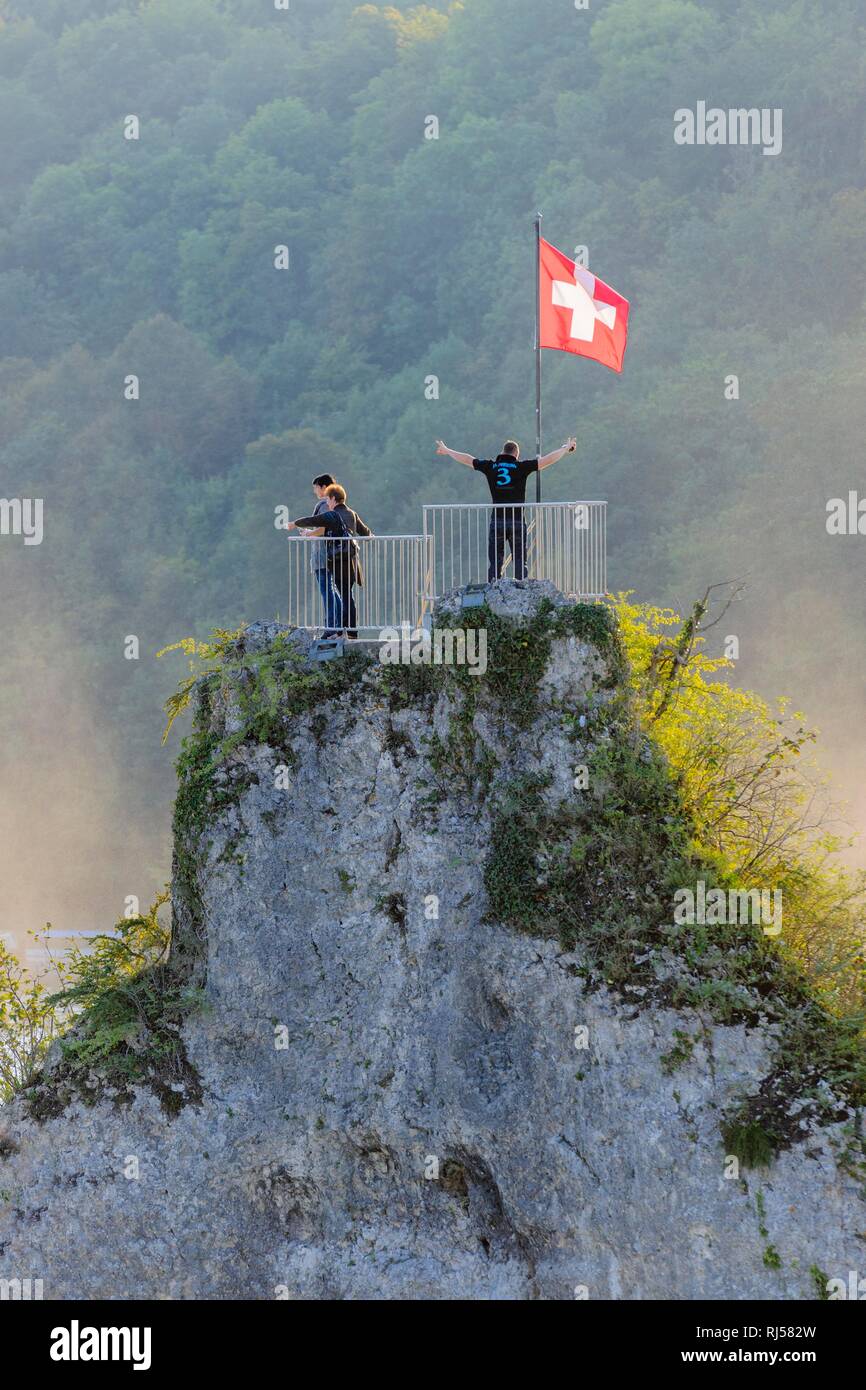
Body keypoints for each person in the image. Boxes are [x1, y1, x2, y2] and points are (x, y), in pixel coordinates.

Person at [436, 436, 577, 581]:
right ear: (516, 454)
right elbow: (546, 460)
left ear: (502, 452)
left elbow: (467, 459)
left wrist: (448, 450)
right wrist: (564, 449)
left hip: (497, 520)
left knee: (496, 561)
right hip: (517, 520)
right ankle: (521, 589)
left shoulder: (491, 466)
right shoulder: (521, 467)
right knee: (520, 561)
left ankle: (493, 588)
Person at [288, 484, 372, 639]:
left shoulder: (332, 515)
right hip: (352, 562)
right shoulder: (352, 513)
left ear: (334, 498)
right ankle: (351, 632)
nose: (327, 503)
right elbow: (366, 533)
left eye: (328, 499)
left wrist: (294, 524)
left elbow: (312, 520)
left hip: (339, 561)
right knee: (348, 596)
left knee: (343, 595)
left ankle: (340, 630)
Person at [301, 473, 341, 632]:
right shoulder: (331, 504)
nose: (315, 491)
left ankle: (332, 627)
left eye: (316, 488)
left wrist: (309, 533)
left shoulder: (325, 504)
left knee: (327, 592)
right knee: (331, 592)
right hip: (327, 554)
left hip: (324, 555)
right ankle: (339, 623)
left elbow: (325, 527)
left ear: (324, 487)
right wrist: (310, 532)